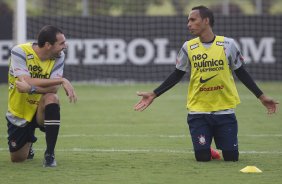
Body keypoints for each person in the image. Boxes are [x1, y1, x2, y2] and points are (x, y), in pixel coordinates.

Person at [134, 5, 278, 162]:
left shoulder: (228, 45)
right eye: (188, 20)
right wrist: (154, 94)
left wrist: (261, 96)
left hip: (224, 110)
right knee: (202, 157)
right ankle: (206, 148)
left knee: (231, 158)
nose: (188, 24)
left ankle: (215, 146)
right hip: (198, 111)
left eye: (193, 20)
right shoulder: (188, 47)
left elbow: (241, 72)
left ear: (206, 21)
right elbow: (177, 74)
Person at [6, 25, 77, 167]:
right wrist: (62, 79)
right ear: (48, 45)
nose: (65, 46)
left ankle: (49, 155)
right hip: (19, 111)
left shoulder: (59, 56)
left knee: (52, 98)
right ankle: (28, 144)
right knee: (18, 159)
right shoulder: (19, 51)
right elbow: (25, 80)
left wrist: (31, 89)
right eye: (61, 43)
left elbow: (53, 88)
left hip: (40, 108)